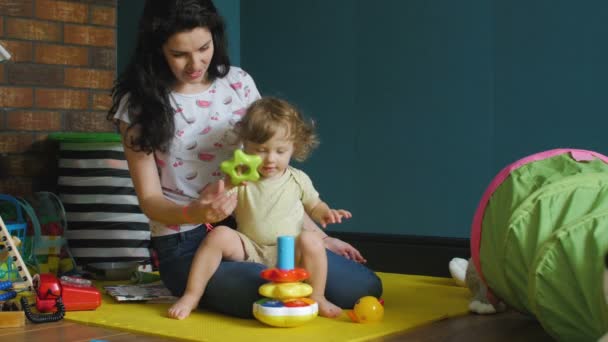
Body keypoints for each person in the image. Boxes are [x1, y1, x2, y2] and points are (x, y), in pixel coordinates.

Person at [108, 0, 382, 319]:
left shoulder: (237, 83)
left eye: (204, 48)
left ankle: (298, 279)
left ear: (215, 38)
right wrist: (194, 211)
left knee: (360, 287)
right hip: (186, 241)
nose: (195, 63)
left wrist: (317, 240)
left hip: (257, 224)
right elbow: (150, 200)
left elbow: (274, 176)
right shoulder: (139, 105)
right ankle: (197, 289)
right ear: (157, 50)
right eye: (179, 54)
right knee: (268, 293)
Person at [169, 97, 351, 320]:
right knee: (219, 235)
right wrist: (227, 185)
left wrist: (327, 213)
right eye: (261, 150)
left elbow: (314, 205)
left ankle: (318, 296)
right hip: (251, 248)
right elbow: (219, 199)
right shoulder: (243, 180)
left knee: (312, 240)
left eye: (280, 151)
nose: (270, 159)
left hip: (292, 251)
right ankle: (192, 295)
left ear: (294, 148)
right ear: (245, 146)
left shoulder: (298, 179)